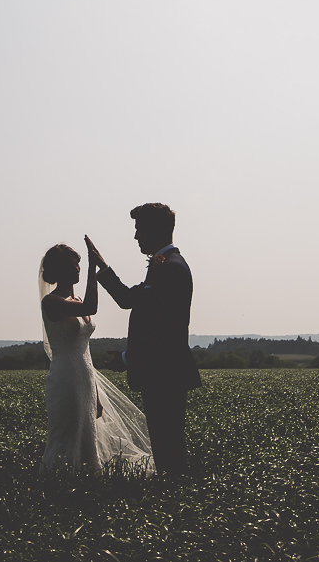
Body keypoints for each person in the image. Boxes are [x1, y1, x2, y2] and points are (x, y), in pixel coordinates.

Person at [86, 203, 202, 475]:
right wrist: (102, 266)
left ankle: (175, 500)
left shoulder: (171, 268)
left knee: (168, 447)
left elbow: (162, 330)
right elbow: (130, 299)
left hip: (166, 373)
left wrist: (128, 358)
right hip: (164, 371)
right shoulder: (165, 266)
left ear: (156, 230)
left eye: (139, 229)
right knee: (165, 446)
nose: (136, 237)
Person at [38, 243, 154, 474]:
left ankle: (88, 484)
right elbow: (92, 306)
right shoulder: (51, 302)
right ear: (59, 271)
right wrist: (94, 269)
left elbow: (85, 352)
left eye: (79, 264)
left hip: (85, 377)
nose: (78, 269)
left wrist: (95, 392)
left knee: (87, 435)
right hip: (65, 379)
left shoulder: (77, 298)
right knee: (66, 435)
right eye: (73, 266)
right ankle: (58, 484)